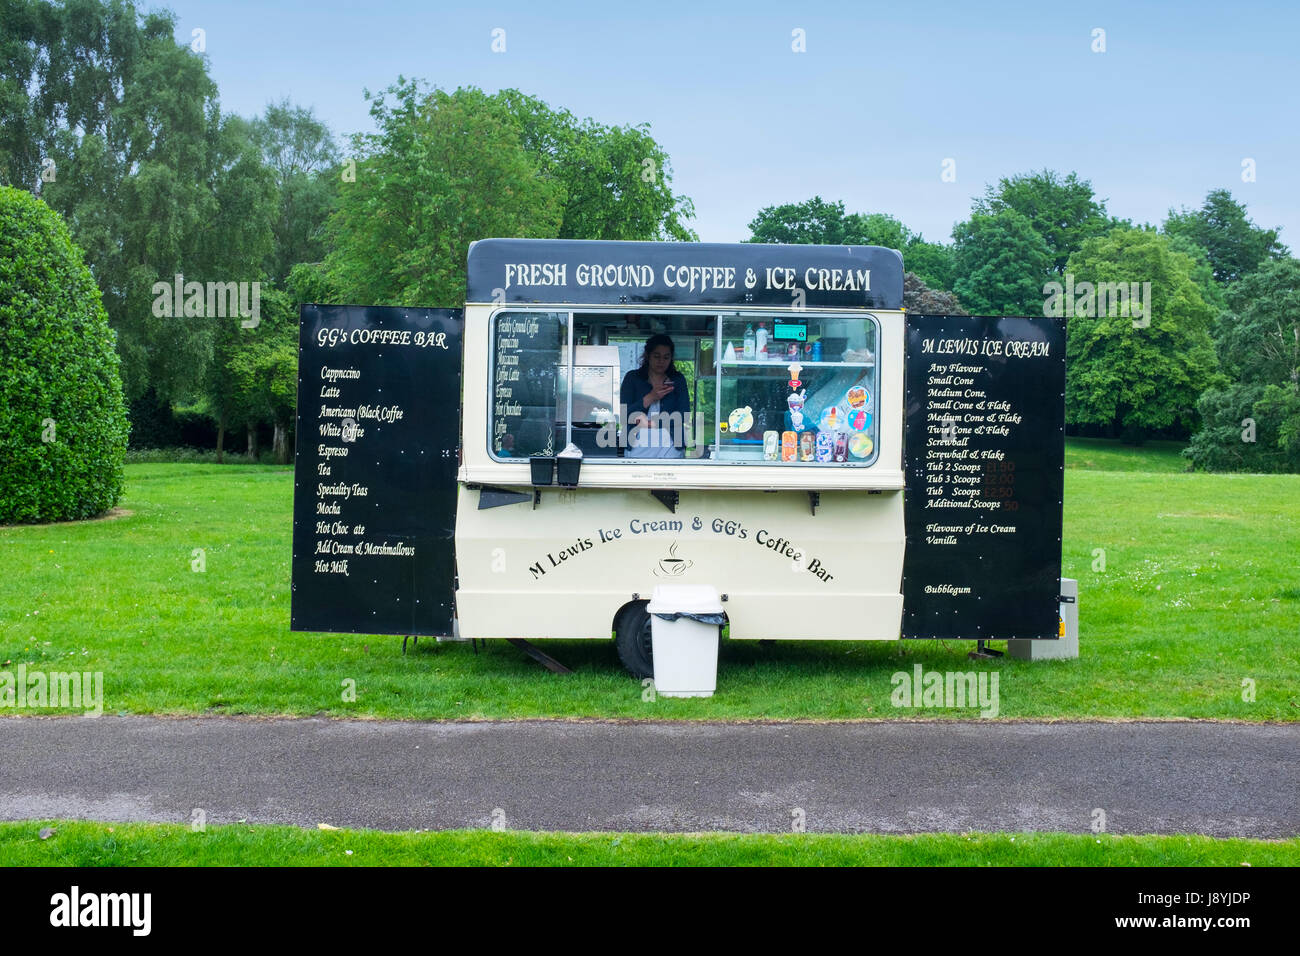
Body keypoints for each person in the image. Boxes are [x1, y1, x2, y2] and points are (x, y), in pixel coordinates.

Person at [620, 334, 689, 458]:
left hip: (671, 447)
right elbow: (624, 414)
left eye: (666, 357)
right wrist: (651, 397)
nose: (661, 361)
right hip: (637, 446)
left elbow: (684, 414)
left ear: (671, 358)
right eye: (656, 356)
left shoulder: (677, 380)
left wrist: (651, 424)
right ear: (647, 356)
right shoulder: (632, 378)